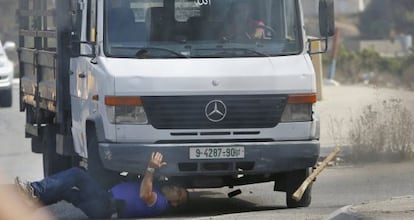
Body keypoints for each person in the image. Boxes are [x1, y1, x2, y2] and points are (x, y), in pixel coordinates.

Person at [14, 152, 188, 219]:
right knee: (65, 192)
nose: (174, 189)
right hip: (102, 207)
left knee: (77, 175)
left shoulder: (161, 204)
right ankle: (28, 207)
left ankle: (33, 190)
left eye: (178, 194)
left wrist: (151, 167)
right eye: (177, 187)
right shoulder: (157, 188)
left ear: (174, 203)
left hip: (105, 205)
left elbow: (144, 194)